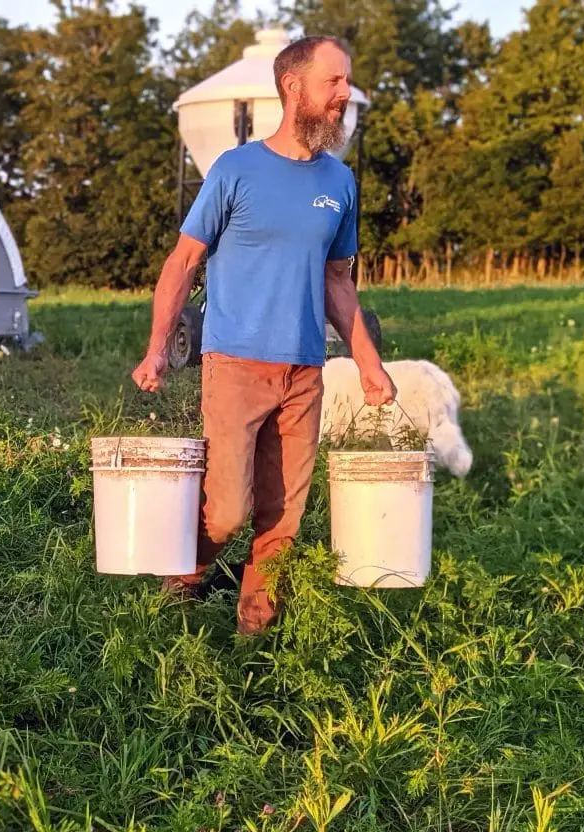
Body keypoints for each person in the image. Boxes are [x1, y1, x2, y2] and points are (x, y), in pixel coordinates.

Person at [131, 34, 396, 636]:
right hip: (235, 367)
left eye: (347, 81)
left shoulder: (341, 183)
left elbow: (338, 282)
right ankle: (184, 580)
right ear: (292, 86)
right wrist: (156, 350)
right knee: (226, 514)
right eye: (333, 81)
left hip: (305, 372)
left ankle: (255, 641)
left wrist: (367, 362)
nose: (344, 93)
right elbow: (182, 263)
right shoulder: (236, 170)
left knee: (281, 524)